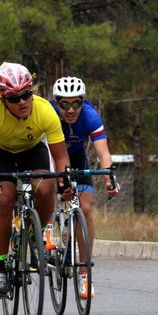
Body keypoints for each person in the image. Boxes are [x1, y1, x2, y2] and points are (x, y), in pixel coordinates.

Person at [0, 62, 70, 298]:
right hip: (1, 152)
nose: (23, 102)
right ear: (3, 99)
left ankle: (36, 238)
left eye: (27, 95)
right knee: (3, 200)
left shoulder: (45, 110)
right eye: (15, 98)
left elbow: (60, 156)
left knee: (46, 187)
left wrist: (65, 183)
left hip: (32, 151)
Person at [50, 76, 120, 298]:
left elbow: (103, 152)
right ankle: (46, 229)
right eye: (64, 104)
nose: (71, 110)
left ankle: (84, 272)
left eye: (76, 104)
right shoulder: (48, 114)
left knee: (86, 208)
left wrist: (110, 178)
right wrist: (57, 182)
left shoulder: (90, 115)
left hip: (77, 157)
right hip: (50, 155)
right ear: (56, 103)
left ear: (83, 102)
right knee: (45, 189)